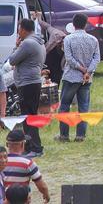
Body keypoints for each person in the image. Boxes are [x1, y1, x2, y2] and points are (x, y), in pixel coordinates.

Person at [56, 13, 100, 143]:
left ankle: (64, 135)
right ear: (85, 24)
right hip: (86, 78)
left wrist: (81, 69)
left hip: (71, 77)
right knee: (84, 107)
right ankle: (80, 135)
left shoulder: (68, 39)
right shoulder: (93, 39)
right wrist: (88, 71)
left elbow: (69, 59)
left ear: (73, 24)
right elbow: (97, 58)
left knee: (65, 105)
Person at [8, 19, 45, 157]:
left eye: (19, 29)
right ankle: (29, 146)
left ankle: (35, 148)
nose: (18, 32)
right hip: (33, 82)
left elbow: (12, 60)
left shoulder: (27, 43)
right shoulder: (39, 42)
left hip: (27, 83)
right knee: (30, 116)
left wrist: (16, 46)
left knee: (28, 117)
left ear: (23, 29)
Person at [4, 130, 49, 203]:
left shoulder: (2, 161)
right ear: (22, 144)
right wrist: (46, 195)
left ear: (7, 144)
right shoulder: (28, 163)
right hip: (21, 200)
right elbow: (42, 186)